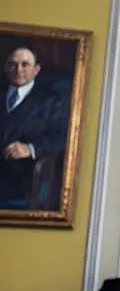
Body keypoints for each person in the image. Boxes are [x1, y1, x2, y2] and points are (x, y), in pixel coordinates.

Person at [0, 47, 69, 209]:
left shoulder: (51, 101)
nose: (18, 70)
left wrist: (30, 149)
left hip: (23, 175)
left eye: (25, 64)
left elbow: (62, 136)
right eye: (13, 64)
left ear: (36, 70)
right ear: (5, 68)